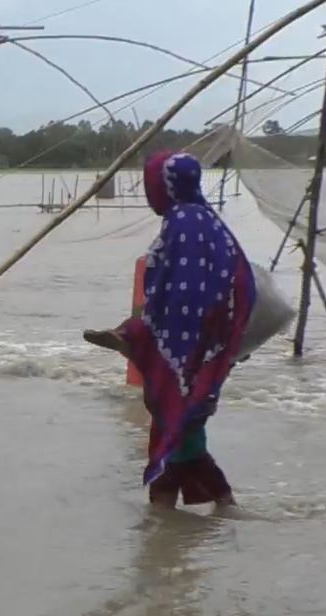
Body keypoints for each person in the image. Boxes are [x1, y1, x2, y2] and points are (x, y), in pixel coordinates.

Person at [83, 152, 255, 509]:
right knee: (180, 429)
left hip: (191, 347)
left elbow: (184, 290)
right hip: (208, 342)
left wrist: (162, 340)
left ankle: (204, 511)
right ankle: (175, 522)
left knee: (180, 430)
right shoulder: (204, 216)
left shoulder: (184, 222)